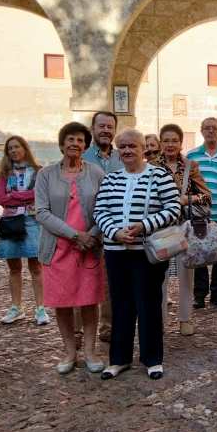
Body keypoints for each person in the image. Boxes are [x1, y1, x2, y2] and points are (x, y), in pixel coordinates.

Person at [93, 129, 181, 381]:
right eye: (122, 147)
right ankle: (119, 359)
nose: (128, 150)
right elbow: (100, 211)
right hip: (116, 251)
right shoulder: (111, 179)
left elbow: (173, 208)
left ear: (144, 149)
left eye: (132, 146)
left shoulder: (159, 175)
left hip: (147, 252)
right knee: (121, 305)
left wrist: (144, 225)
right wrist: (115, 232)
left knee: (149, 304)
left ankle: (152, 359)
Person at [34, 122, 106, 374]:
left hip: (89, 248)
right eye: (70, 139)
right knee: (62, 303)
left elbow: (105, 208)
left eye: (80, 140)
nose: (75, 144)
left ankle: (90, 351)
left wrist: (92, 236)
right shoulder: (46, 174)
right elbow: (41, 212)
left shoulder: (96, 172)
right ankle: (69, 352)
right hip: (57, 248)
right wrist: (75, 235)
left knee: (88, 301)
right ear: (61, 143)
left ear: (86, 146)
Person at [153, 124, 212, 336]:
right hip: (159, 230)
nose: (170, 145)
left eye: (174, 141)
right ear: (161, 142)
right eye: (166, 140)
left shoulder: (190, 166)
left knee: (187, 275)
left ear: (180, 143)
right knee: (159, 277)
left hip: (183, 227)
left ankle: (185, 319)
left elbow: (207, 196)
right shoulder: (150, 166)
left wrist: (188, 198)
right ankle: (158, 321)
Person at [186, 118, 217, 312]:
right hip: (199, 214)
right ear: (201, 131)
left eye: (214, 128)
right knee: (199, 255)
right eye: (206, 128)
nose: (210, 131)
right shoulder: (191, 155)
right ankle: (200, 295)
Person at [0, 135, 47, 326]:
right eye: (10, 148)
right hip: (11, 222)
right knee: (14, 267)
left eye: (17, 147)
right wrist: (25, 198)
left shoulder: (39, 171)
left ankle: (40, 308)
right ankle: (16, 307)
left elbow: (39, 194)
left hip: (32, 221)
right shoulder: (4, 173)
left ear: (25, 148)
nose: (13, 151)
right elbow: (0, 198)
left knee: (36, 267)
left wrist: (15, 195)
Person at [82, 111, 123, 342]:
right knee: (83, 281)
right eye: (102, 126)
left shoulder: (121, 157)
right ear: (93, 129)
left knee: (110, 284)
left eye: (110, 126)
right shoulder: (83, 156)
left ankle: (107, 328)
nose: (106, 130)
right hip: (86, 229)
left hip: (114, 230)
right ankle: (79, 331)